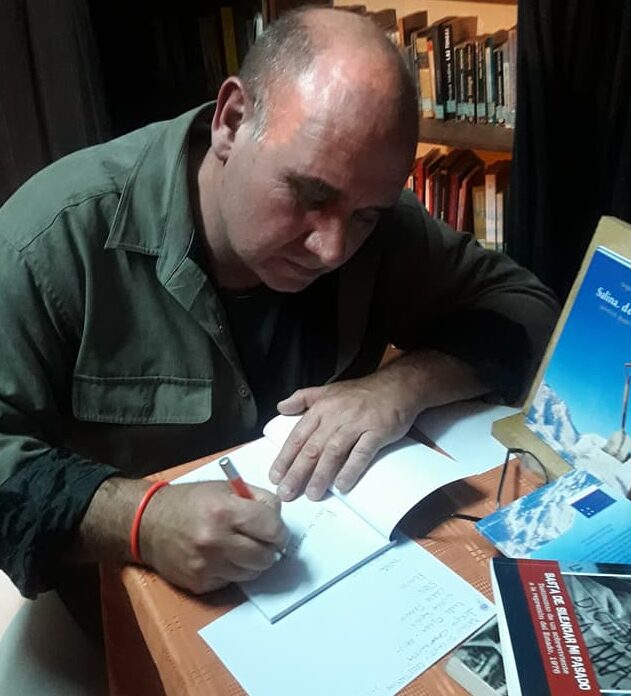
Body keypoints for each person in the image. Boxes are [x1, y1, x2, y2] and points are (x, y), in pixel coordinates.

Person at [0, 6, 558, 634]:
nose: (333, 248)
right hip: (130, 609)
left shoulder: (373, 222)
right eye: (310, 195)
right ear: (232, 122)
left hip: (329, 596)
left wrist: (402, 385)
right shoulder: (50, 241)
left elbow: (528, 310)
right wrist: (139, 518)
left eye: (366, 215)